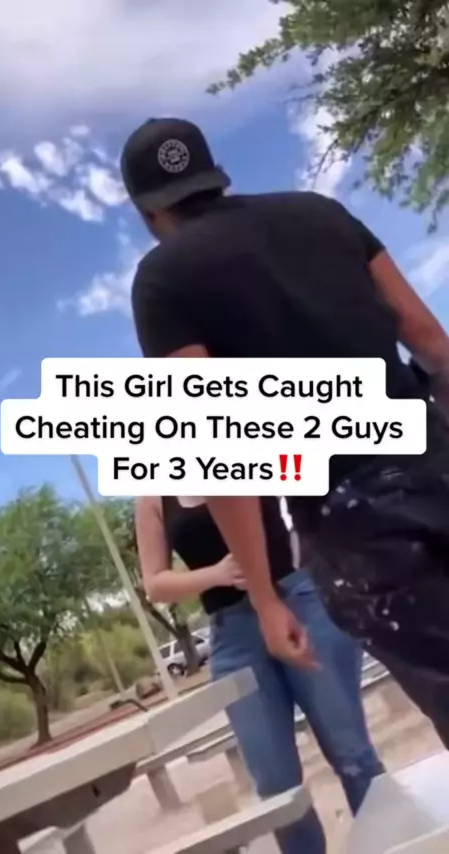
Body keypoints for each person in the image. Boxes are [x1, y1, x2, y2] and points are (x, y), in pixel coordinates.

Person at [121, 117, 449, 745]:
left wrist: (267, 599)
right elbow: (430, 340)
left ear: (148, 212)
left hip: (354, 519)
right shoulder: (321, 214)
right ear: (215, 176)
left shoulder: (162, 279)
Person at [136, 494, 384, 854]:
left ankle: (395, 845)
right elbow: (155, 584)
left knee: (352, 754)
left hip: (298, 602)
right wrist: (216, 574)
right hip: (232, 635)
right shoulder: (153, 499)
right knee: (276, 788)